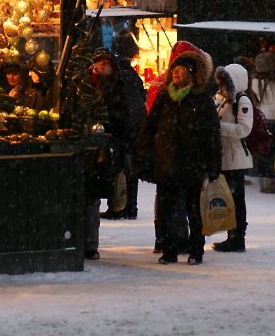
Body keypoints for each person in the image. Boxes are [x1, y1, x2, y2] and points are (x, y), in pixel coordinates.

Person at [137, 51, 221, 265]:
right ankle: (169, 250)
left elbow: (212, 136)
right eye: (174, 69)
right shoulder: (165, 97)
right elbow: (149, 125)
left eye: (181, 69)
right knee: (166, 211)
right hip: (166, 163)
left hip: (192, 164)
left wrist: (212, 166)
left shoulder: (202, 100)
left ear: (192, 75)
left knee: (194, 210)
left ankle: (195, 251)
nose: (175, 72)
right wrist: (144, 151)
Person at [84, 48, 132, 259]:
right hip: (86, 149)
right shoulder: (83, 87)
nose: (102, 67)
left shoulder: (117, 91)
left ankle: (90, 244)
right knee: (85, 197)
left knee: (93, 198)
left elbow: (123, 122)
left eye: (106, 63)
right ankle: (81, 241)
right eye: (98, 63)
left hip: (105, 150)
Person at [101, 27, 146, 220]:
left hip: (124, 130)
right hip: (132, 129)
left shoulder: (120, 80)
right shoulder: (130, 76)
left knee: (120, 169)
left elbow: (121, 107)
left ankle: (121, 206)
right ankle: (127, 206)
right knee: (127, 170)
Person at [212, 63, 254, 252]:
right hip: (225, 157)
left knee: (236, 200)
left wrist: (218, 128)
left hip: (235, 158)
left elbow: (244, 129)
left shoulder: (242, 100)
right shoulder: (222, 99)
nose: (222, 84)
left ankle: (237, 238)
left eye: (226, 80)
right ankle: (232, 235)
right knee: (228, 199)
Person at [252, 50, 275, 194]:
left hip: (261, 117)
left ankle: (263, 183)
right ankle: (270, 182)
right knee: (272, 152)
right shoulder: (271, 82)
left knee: (262, 152)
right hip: (272, 118)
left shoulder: (254, 81)